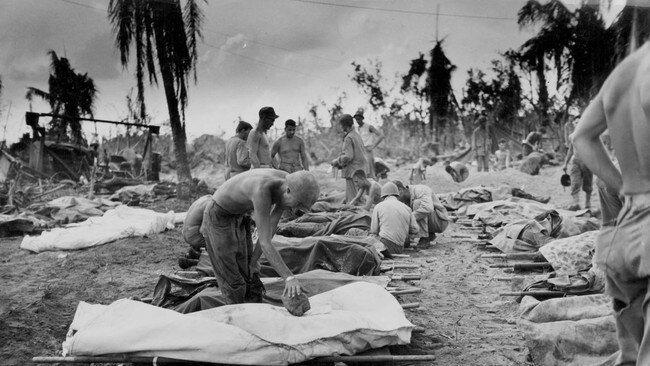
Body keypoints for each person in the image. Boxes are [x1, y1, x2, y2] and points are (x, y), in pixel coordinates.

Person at [572, 41, 650, 365]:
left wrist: (624, 190)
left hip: (625, 231)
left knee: (631, 353)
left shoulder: (624, 72)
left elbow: (581, 139)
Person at [200, 169, 320, 305]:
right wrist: (288, 277)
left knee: (249, 273)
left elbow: (270, 230)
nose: (295, 209)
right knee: (232, 279)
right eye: (297, 204)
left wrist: (254, 260)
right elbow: (265, 243)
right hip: (219, 216)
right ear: (288, 191)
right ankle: (238, 316)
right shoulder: (262, 190)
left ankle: (254, 312)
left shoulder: (288, 184)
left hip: (240, 216)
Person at [393, 180, 450, 248]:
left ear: (400, 190)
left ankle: (424, 238)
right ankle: (429, 234)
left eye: (396, 197)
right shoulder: (403, 200)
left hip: (440, 221)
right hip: (431, 222)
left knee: (418, 204)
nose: (396, 199)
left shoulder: (420, 190)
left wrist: (408, 219)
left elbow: (428, 208)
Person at [370, 182, 420, 257]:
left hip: (384, 247)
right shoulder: (407, 208)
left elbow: (374, 231)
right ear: (397, 195)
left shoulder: (378, 206)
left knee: (358, 235)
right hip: (399, 248)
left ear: (383, 196)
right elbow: (415, 230)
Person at [330, 114, 367, 203]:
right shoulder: (357, 135)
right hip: (361, 170)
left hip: (352, 172)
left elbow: (348, 156)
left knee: (353, 199)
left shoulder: (349, 138)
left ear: (344, 126)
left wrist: (336, 161)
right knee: (360, 197)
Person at [563, 115, 593, 210]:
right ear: (573, 124)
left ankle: (587, 203)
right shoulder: (572, 136)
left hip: (587, 162)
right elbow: (570, 151)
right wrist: (565, 163)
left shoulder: (589, 135)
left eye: (580, 122)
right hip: (575, 162)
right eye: (576, 122)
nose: (578, 124)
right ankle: (575, 203)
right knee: (574, 183)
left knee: (588, 185)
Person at [354, 111, 384, 179]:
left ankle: (374, 185)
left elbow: (381, 136)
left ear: (362, 118)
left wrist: (373, 146)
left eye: (359, 119)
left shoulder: (368, 127)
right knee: (361, 170)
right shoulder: (357, 128)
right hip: (359, 151)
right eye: (356, 119)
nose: (357, 121)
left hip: (367, 150)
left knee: (370, 170)